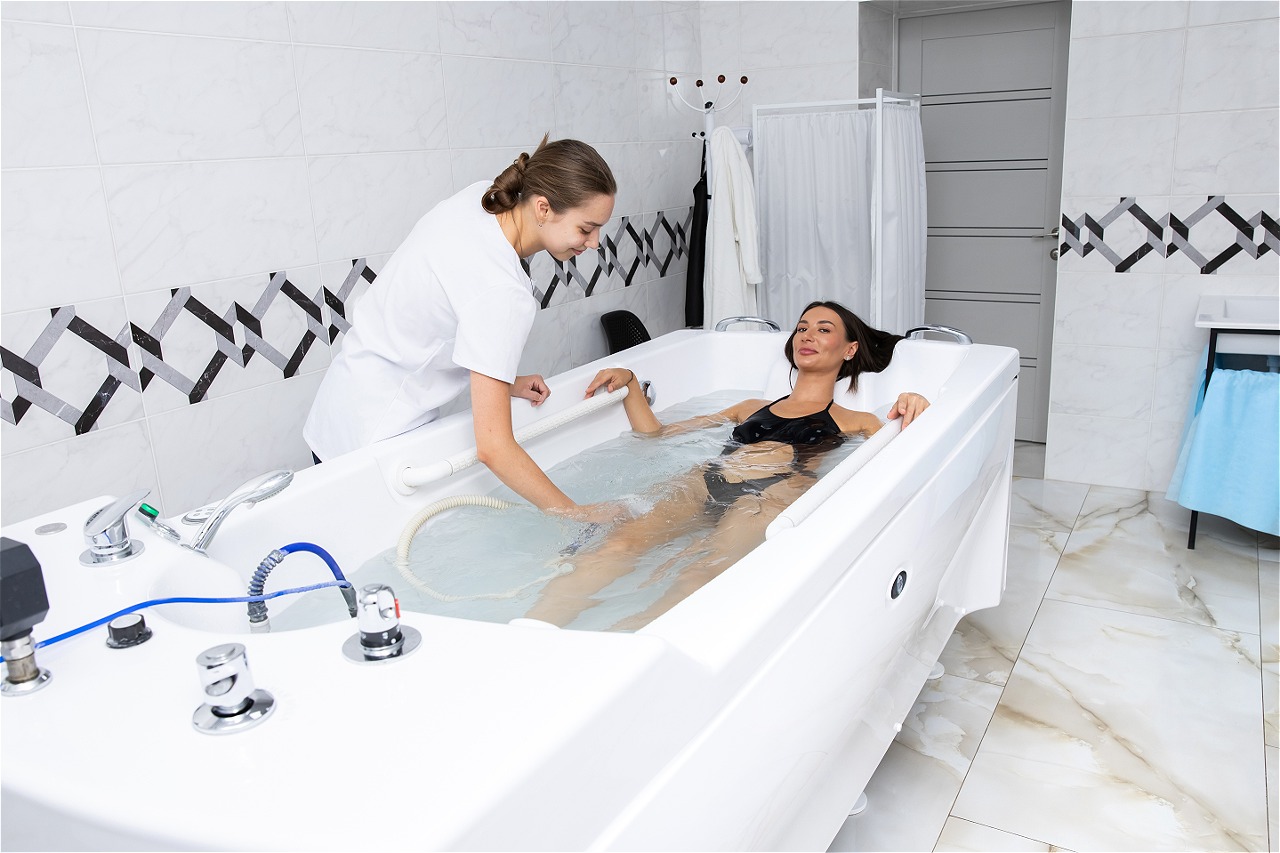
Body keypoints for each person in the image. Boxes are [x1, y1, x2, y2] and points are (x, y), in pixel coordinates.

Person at [524, 300, 930, 630]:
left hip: (768, 497)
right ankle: (532, 630)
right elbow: (657, 434)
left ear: (849, 350)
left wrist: (916, 406)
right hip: (703, 482)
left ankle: (622, 655)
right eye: (802, 327)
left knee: (699, 573)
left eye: (823, 329)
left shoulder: (856, 420)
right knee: (618, 545)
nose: (807, 335)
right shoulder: (748, 406)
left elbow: (896, 460)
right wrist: (630, 383)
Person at [304, 135, 617, 518]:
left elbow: (440, 315)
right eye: (586, 228)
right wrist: (580, 514)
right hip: (373, 443)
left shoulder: (481, 200)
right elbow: (494, 448)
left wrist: (505, 381)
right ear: (543, 207)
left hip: (338, 411)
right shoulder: (504, 291)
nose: (594, 242)